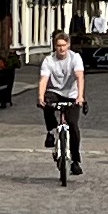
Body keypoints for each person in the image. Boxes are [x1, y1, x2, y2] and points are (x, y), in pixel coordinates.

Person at [39, 32, 88, 186]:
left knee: (73, 125)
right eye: (58, 46)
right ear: (55, 46)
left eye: (63, 46)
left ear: (68, 45)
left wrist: (80, 97)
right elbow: (44, 79)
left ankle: (75, 160)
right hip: (55, 92)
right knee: (46, 104)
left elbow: (80, 77)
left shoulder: (75, 58)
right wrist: (40, 96)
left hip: (72, 94)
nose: (61, 49)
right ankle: (52, 131)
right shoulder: (49, 60)